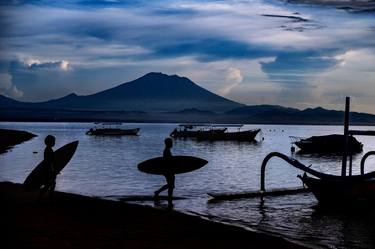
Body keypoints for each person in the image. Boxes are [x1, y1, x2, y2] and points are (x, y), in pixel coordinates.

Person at [154, 138, 175, 206]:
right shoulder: (166, 151)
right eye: (171, 142)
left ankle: (169, 197)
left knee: (171, 185)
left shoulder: (167, 150)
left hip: (170, 170)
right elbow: (167, 162)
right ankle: (158, 192)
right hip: (167, 170)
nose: (172, 144)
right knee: (170, 185)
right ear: (168, 143)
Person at [39, 135, 57, 200]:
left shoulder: (48, 149)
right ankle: (44, 198)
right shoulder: (48, 150)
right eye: (54, 141)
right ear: (51, 142)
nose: (55, 143)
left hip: (47, 169)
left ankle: (47, 197)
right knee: (49, 184)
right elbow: (50, 162)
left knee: (50, 184)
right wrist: (53, 171)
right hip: (49, 170)